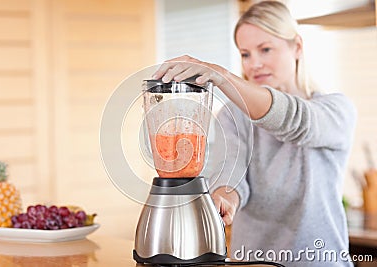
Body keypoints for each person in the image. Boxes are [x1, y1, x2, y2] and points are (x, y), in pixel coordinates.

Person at [151, 1, 356, 266]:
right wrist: (225, 198)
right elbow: (231, 174)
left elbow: (293, 120)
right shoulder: (233, 115)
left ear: (297, 47)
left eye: (266, 49)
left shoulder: (335, 110)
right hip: (251, 261)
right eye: (245, 54)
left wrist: (221, 77)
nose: (254, 64)